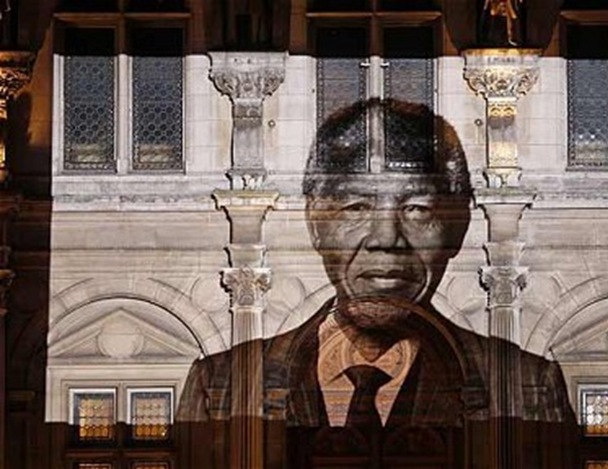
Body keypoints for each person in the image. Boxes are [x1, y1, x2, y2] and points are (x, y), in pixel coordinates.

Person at [177, 99, 575, 467]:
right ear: (315, 221)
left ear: (458, 225)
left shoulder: (531, 387)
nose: (386, 238)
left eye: (417, 208)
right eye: (357, 207)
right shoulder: (218, 386)